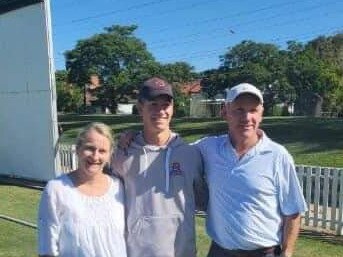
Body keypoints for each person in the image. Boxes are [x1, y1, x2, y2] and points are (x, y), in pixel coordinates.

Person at [195, 83, 307, 257]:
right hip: (220, 251)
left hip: (264, 252)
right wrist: (137, 137)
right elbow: (172, 150)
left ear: (261, 114)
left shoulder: (277, 155)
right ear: (225, 112)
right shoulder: (208, 148)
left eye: (253, 110)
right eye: (239, 110)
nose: (246, 117)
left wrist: (287, 252)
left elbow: (292, 211)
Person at [111, 77, 206, 257]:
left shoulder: (191, 154)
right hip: (135, 252)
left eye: (165, 105)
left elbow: (204, 200)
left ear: (172, 109)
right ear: (140, 108)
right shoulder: (122, 154)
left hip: (182, 252)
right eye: (153, 104)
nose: (160, 111)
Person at [38, 122, 127, 257]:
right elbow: (47, 248)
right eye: (90, 148)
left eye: (102, 151)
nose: (95, 156)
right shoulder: (57, 190)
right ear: (78, 149)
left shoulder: (119, 188)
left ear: (110, 155)